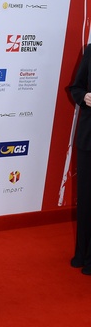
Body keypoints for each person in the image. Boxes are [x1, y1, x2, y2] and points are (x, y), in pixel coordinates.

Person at [69, 43, 91, 276]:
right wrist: (84, 96)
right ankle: (82, 253)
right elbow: (75, 87)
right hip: (88, 139)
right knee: (85, 198)